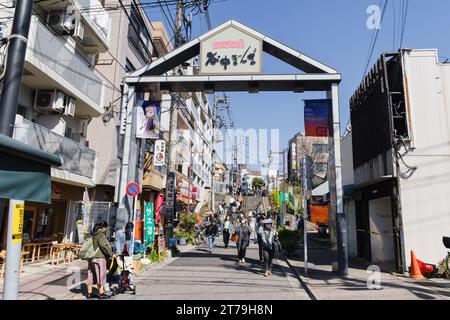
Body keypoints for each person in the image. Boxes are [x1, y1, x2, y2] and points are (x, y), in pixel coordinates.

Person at [86, 221, 113, 299]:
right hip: (99, 258)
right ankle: (101, 293)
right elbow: (105, 246)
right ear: (103, 227)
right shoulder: (100, 235)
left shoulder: (92, 234)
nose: (106, 229)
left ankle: (89, 293)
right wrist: (110, 254)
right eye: (106, 228)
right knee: (101, 276)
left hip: (91, 258)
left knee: (90, 275)